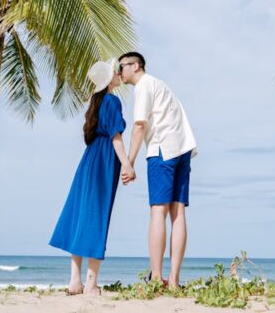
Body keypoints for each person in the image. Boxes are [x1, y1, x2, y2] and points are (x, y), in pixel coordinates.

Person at [49, 60, 132, 295]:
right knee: (98, 216)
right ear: (109, 80)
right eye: (115, 71)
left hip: (88, 160)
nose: (118, 73)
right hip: (104, 161)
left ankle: (75, 281)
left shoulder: (94, 103)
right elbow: (116, 136)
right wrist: (126, 163)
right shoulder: (112, 101)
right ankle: (91, 283)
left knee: (81, 216)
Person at [120, 52, 197, 290]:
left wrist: (129, 161)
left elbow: (140, 125)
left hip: (162, 150)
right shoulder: (162, 85)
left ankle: (156, 277)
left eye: (121, 66)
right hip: (183, 148)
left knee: (158, 211)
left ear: (135, 66)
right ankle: (173, 280)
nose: (119, 71)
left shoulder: (144, 86)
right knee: (178, 213)